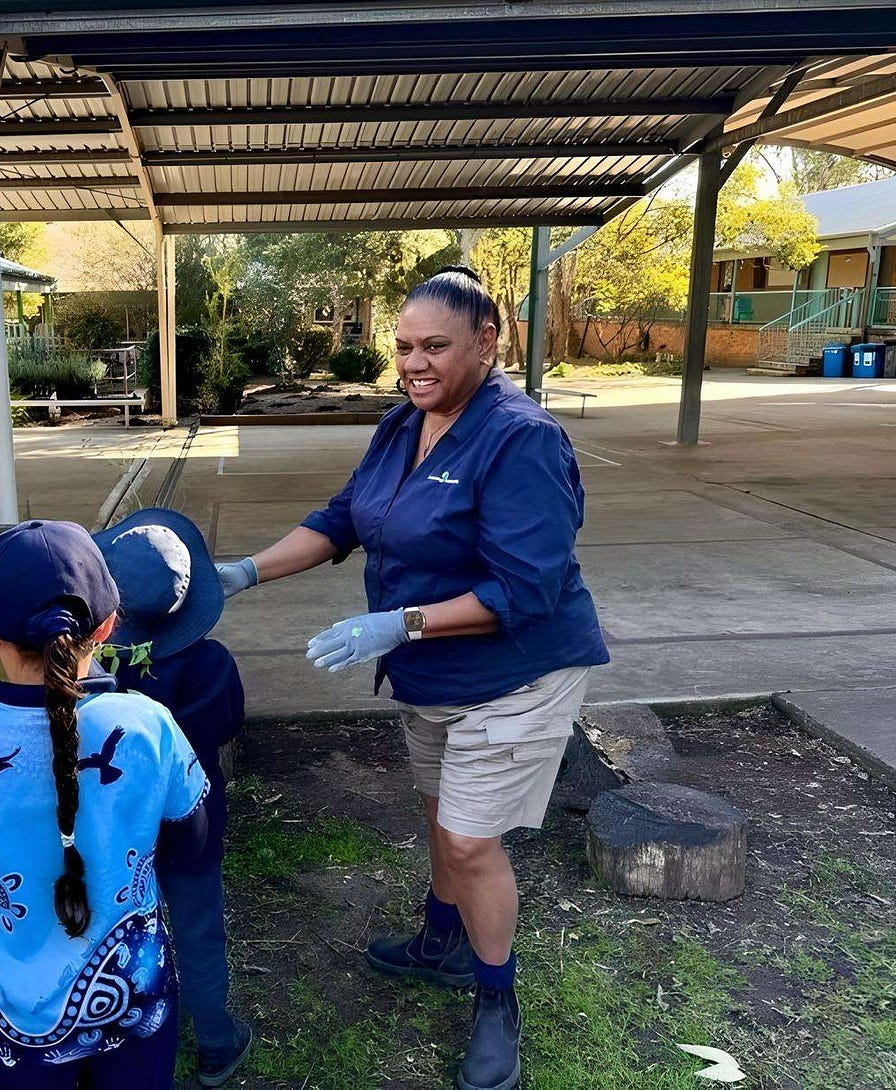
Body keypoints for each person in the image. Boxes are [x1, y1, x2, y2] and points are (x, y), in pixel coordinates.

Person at [217, 266, 610, 1090]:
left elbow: (524, 590)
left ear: (486, 342)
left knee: (471, 838)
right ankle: (439, 936)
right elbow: (341, 518)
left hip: (516, 676)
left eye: (435, 346)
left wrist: (398, 623)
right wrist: (243, 572)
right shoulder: (404, 425)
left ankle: (495, 998)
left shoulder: (520, 438)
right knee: (440, 813)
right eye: (403, 347)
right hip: (431, 675)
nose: (415, 362)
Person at [0, 520, 211, 1090]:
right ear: (110, 625)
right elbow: (191, 846)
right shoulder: (149, 725)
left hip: (12, 1020)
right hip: (136, 997)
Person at [93, 508, 252, 1087]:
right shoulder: (212, 664)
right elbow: (229, 723)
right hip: (193, 821)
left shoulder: (97, 669)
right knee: (198, 925)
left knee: (119, 926)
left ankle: (122, 1026)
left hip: (113, 825)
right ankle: (215, 1041)